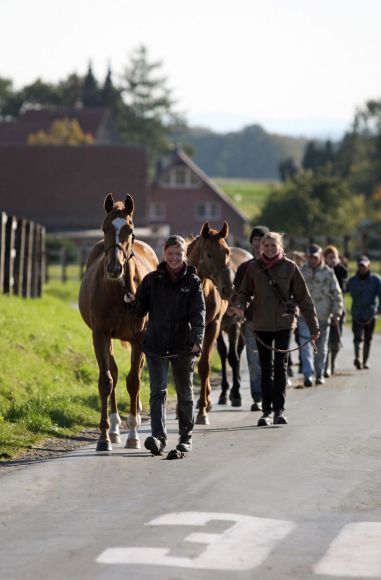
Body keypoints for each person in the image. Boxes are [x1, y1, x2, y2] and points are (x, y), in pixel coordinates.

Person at [125, 235, 205, 455]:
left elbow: (198, 314)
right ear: (164, 254)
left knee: (184, 393)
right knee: (157, 393)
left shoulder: (193, 281)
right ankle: (158, 438)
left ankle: (185, 437)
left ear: (184, 255)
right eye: (170, 253)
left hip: (183, 346)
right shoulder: (151, 280)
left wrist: (197, 340)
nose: (174, 258)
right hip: (156, 345)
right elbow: (140, 310)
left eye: (178, 254)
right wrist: (132, 303)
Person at [232, 232, 319, 426]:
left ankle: (279, 410)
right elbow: (244, 292)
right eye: (267, 245)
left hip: (284, 324)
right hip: (261, 323)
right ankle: (266, 412)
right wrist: (240, 305)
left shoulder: (290, 267)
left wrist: (314, 328)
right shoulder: (254, 268)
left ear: (280, 247)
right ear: (261, 247)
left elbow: (304, 300)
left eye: (274, 245)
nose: (270, 249)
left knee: (281, 366)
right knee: (266, 368)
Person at [229, 225, 269, 412]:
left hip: (275, 321)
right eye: (255, 239)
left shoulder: (282, 265)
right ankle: (258, 397)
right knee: (253, 361)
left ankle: (273, 397)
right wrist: (234, 306)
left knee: (273, 362)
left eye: (262, 239)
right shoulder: (244, 268)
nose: (258, 243)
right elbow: (237, 292)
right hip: (252, 320)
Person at [299, 244, 344, 386]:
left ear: (320, 257)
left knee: (321, 348)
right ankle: (308, 374)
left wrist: (337, 312)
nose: (312, 260)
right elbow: (293, 292)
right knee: (305, 345)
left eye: (315, 257)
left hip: (323, 316)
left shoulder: (328, 273)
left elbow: (337, 294)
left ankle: (319, 373)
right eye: (310, 257)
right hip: (304, 317)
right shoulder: (300, 272)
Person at [347, 255, 381, 370]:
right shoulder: (351, 281)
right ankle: (358, 358)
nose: (362, 268)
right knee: (357, 337)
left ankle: (365, 361)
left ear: (368, 266)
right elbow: (341, 291)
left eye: (364, 266)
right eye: (360, 266)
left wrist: (380, 308)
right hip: (356, 313)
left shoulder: (376, 280)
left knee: (368, 338)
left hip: (371, 314)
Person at [322, 245, 348, 376]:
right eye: (330, 257)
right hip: (324, 310)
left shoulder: (342, 271)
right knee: (325, 340)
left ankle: (333, 362)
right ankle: (325, 366)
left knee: (336, 341)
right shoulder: (321, 271)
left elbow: (342, 290)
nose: (333, 260)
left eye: (335, 257)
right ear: (325, 258)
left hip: (338, 309)